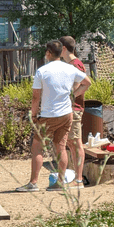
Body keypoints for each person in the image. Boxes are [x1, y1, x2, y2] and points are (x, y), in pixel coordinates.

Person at [16, 41, 91, 192]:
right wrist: (73, 95)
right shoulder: (70, 68)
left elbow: (36, 97)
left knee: (37, 147)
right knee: (61, 148)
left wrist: (34, 114)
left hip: (48, 115)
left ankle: (33, 183)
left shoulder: (42, 71)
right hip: (66, 114)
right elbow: (87, 82)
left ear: (49, 53)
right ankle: (60, 182)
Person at [59, 36, 87, 189]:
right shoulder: (69, 64)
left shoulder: (75, 64)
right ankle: (75, 178)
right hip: (68, 109)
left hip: (74, 109)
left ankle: (79, 180)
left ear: (63, 48)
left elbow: (82, 84)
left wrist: (71, 97)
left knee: (76, 143)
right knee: (70, 142)